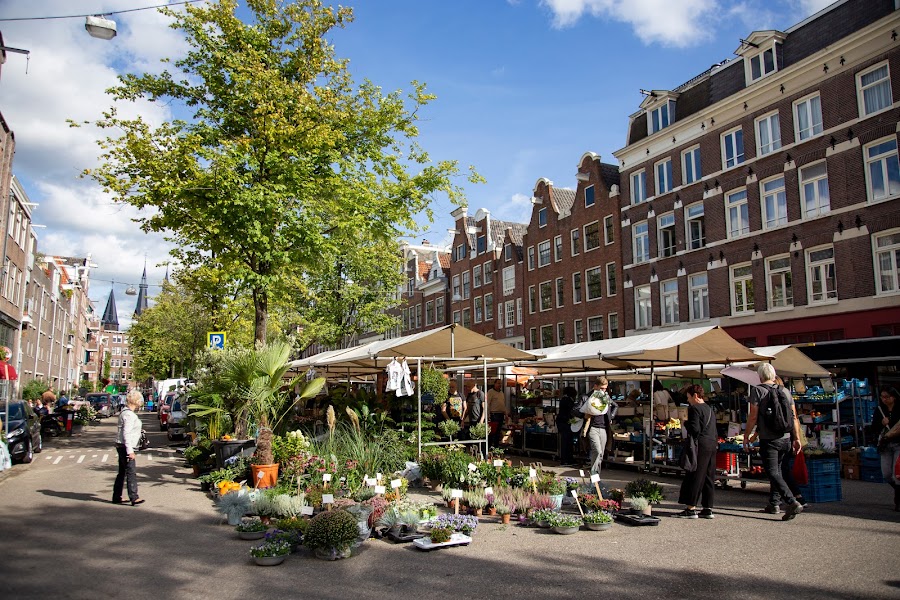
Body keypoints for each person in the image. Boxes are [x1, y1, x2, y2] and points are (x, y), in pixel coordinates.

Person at [744, 363, 804, 521]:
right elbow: (794, 417)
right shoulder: (784, 391)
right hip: (785, 438)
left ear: (760, 376)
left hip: (769, 439)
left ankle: (791, 501)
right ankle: (774, 503)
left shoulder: (758, 390)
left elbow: (753, 416)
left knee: (772, 471)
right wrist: (796, 438)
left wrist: (747, 435)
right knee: (778, 470)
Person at [675, 384, 718, 519]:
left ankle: (691, 507)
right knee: (708, 476)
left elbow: (695, 429)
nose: (688, 400)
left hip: (701, 445)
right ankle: (707, 507)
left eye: (688, 397)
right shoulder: (709, 409)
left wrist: (685, 423)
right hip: (712, 444)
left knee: (695, 475)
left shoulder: (694, 409)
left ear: (695, 396)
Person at [869, 386, 900, 511]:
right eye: (882, 397)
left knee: (897, 474)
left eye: (887, 397)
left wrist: (891, 423)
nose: (884, 400)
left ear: (894, 397)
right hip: (885, 444)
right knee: (887, 474)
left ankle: (898, 501)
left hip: (898, 443)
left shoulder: (899, 408)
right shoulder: (880, 410)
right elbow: (873, 428)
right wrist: (881, 423)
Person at [113, 390, 145, 506]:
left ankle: (117, 496)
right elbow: (126, 433)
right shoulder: (129, 415)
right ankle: (134, 497)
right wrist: (130, 451)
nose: (141, 402)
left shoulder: (125, 412)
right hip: (125, 446)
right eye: (140, 400)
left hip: (121, 445)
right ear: (136, 401)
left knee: (122, 472)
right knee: (131, 471)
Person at [581, 376, 617, 476]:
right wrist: (585, 413)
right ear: (595, 386)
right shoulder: (587, 397)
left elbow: (615, 405)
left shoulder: (605, 397)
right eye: (601, 388)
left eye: (605, 388)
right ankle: (594, 477)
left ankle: (596, 478)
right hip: (592, 427)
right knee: (597, 450)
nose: (604, 391)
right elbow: (576, 410)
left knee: (601, 454)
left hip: (604, 428)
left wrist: (611, 417)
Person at [558, 386, 579, 466]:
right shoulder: (568, 400)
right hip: (565, 422)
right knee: (567, 441)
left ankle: (566, 458)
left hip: (562, 422)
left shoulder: (563, 399)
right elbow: (572, 410)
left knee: (565, 441)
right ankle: (566, 459)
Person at [486, 379, 508, 448]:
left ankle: (496, 447)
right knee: (492, 432)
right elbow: (487, 403)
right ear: (494, 384)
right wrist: (487, 414)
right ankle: (489, 446)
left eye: (500, 383)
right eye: (498, 383)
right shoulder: (490, 392)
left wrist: (506, 414)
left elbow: (503, 404)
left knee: (498, 432)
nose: (499, 385)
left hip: (501, 414)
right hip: (494, 414)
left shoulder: (501, 393)